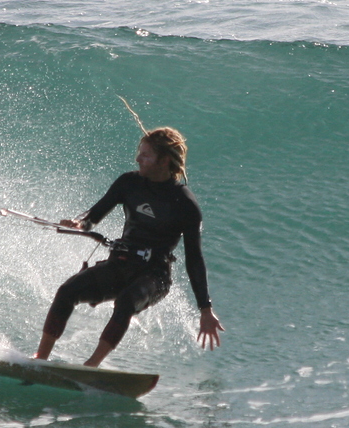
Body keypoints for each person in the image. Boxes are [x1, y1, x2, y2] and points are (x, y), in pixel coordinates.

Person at [35, 126, 224, 367]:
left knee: (125, 302)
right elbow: (94, 215)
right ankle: (40, 359)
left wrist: (205, 309)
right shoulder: (129, 183)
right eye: (140, 152)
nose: (138, 159)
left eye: (146, 155)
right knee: (67, 291)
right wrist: (80, 223)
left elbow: (194, 259)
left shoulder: (185, 204)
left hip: (155, 275)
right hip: (121, 264)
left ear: (164, 161)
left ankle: (90, 367)